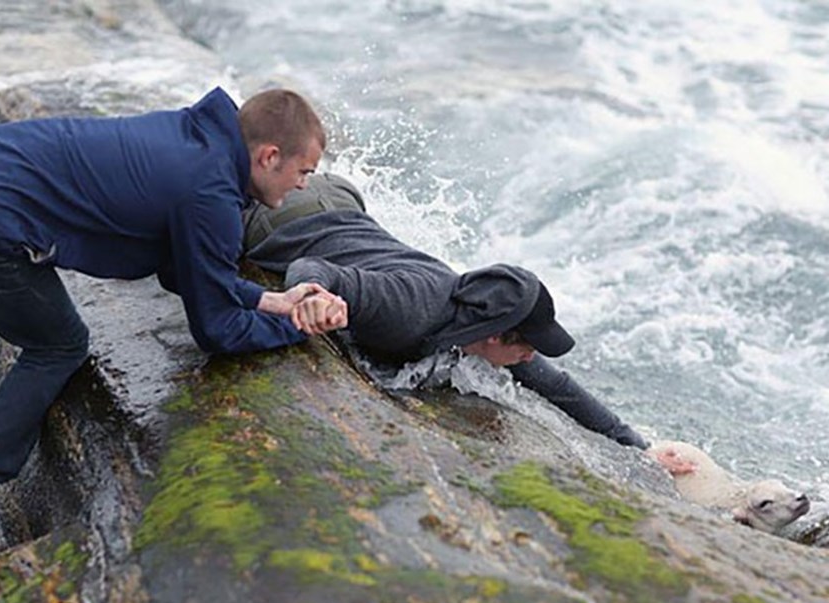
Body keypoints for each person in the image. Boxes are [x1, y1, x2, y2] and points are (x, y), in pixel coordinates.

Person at [0, 88, 347, 561]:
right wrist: (301, 329)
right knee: (59, 345)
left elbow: (190, 272)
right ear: (269, 156)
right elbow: (217, 329)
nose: (304, 185)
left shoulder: (197, 143)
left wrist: (272, 302)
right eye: (304, 171)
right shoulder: (211, 193)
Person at [243, 172, 648, 452]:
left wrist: (636, 445)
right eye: (528, 346)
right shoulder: (408, 307)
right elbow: (317, 270)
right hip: (278, 215)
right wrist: (310, 295)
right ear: (497, 333)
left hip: (340, 196)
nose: (530, 356)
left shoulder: (478, 315)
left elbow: (557, 386)